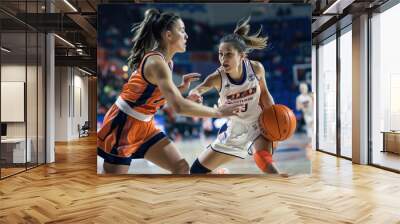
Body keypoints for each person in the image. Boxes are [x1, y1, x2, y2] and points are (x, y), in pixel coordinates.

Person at [97, 9, 241, 174]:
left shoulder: (168, 63)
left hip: (145, 125)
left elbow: (155, 97)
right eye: (182, 30)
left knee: (180, 168)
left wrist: (182, 92)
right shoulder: (156, 62)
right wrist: (219, 112)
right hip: (124, 123)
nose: (186, 35)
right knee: (113, 187)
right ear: (168, 35)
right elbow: (178, 107)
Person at [188, 16, 286, 175]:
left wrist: (274, 124)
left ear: (242, 55)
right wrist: (194, 95)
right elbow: (198, 89)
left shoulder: (256, 69)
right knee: (196, 171)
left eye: (228, 54)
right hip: (235, 130)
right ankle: (220, 174)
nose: (223, 59)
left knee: (264, 161)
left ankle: (283, 190)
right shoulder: (217, 77)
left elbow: (265, 96)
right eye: (220, 54)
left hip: (259, 124)